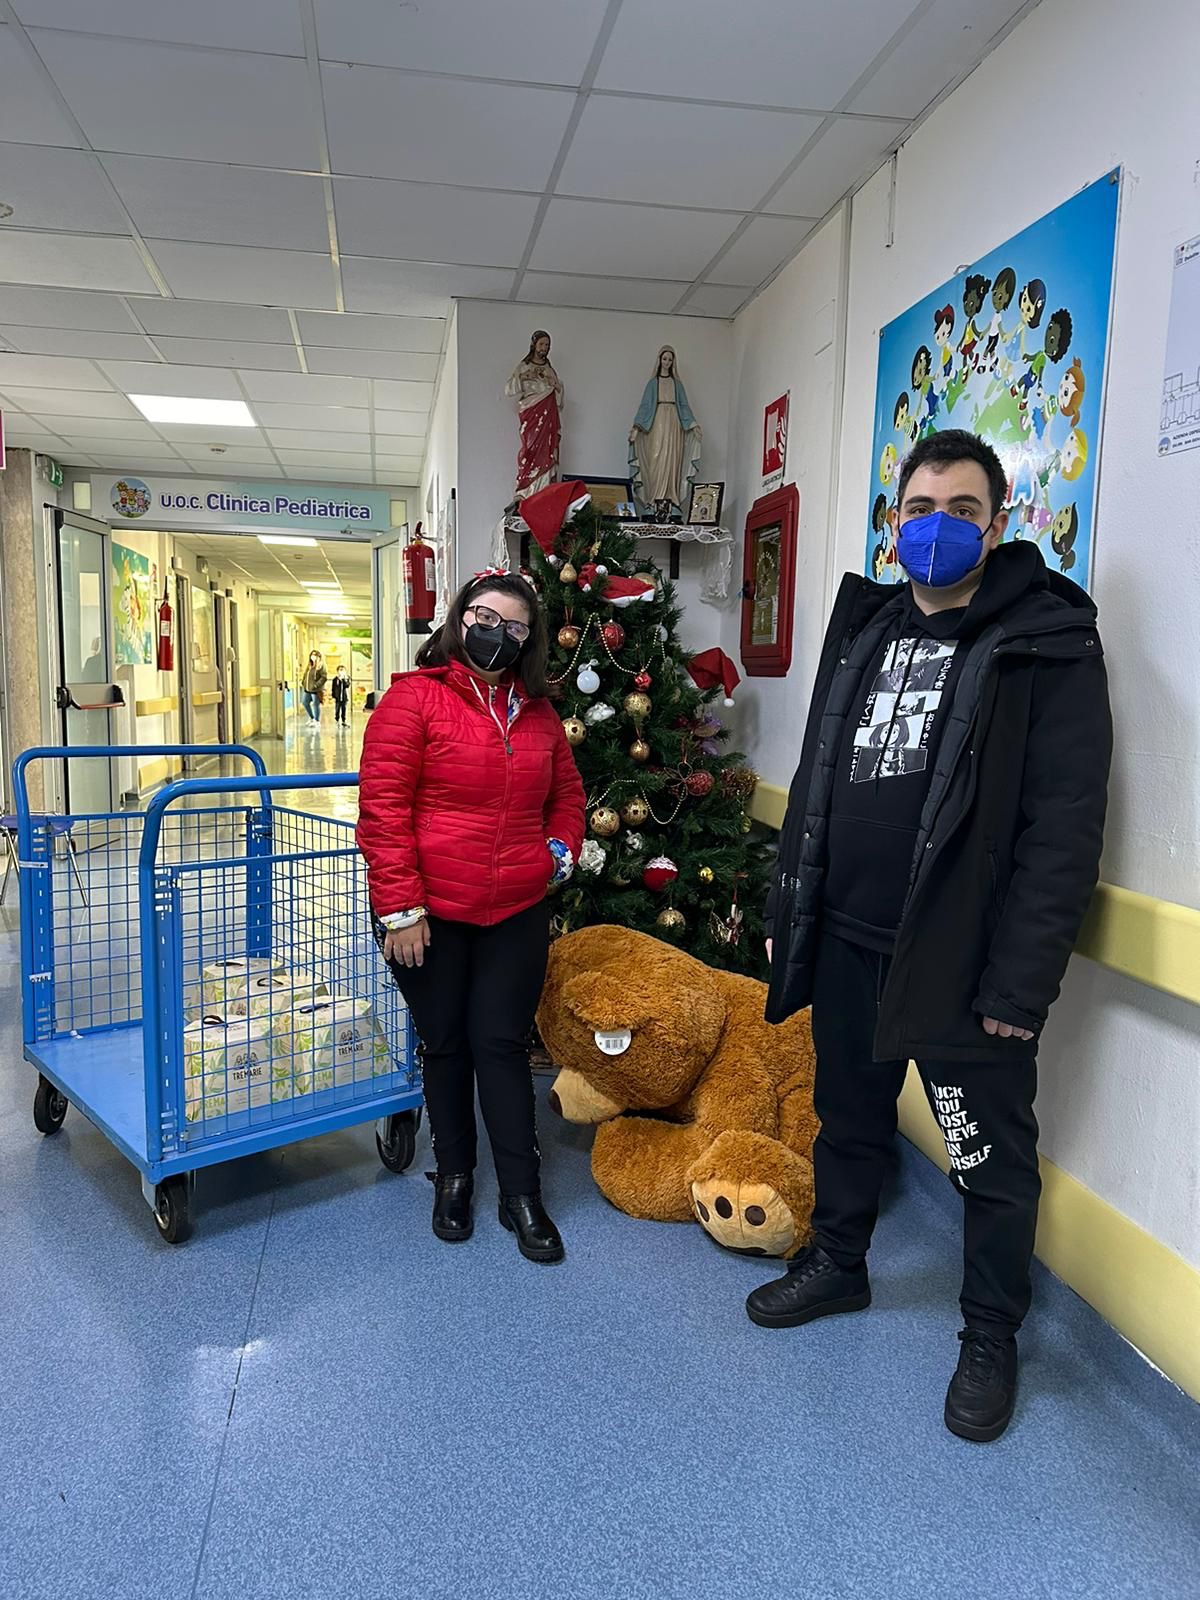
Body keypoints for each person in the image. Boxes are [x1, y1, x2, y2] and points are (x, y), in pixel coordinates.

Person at [754, 429, 1111, 1443]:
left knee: (984, 1158)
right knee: (848, 1120)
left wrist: (1018, 988)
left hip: (961, 966)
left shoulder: (1046, 643)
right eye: (921, 509)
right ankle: (840, 1262)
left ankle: (990, 1333)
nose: (939, 526)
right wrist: (790, 918)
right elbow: (816, 786)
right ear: (893, 522)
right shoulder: (866, 627)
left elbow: (1063, 832)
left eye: (963, 510)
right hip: (848, 942)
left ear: (998, 527)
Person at [357, 569, 586, 1262]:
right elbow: (383, 812)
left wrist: (555, 856)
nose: (498, 634)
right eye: (486, 617)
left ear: (528, 640)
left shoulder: (538, 714)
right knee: (446, 1045)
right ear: (459, 619)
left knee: (501, 1046)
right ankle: (454, 1177)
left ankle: (522, 1194)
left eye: (515, 626)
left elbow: (568, 799)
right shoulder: (413, 700)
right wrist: (400, 911)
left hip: (515, 908)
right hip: (429, 914)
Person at [628, 345, 702, 516]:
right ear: (660, 360)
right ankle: (653, 499)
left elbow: (684, 406)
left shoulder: (677, 385)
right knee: (656, 458)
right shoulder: (653, 384)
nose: (667, 362)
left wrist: (693, 424)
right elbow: (645, 407)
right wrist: (636, 427)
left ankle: (671, 499)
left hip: (674, 424)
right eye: (664, 359)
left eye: (670, 359)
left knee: (672, 460)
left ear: (673, 362)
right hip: (657, 422)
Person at [505, 330, 564, 501]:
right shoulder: (524, 366)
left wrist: (556, 385)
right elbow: (509, 389)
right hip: (531, 412)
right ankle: (525, 489)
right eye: (541, 344)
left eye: (547, 345)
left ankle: (544, 488)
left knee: (547, 448)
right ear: (534, 345)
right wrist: (523, 377)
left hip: (548, 414)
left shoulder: (549, 370)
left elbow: (559, 397)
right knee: (530, 448)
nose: (544, 348)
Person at [300, 651, 327, 724]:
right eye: (312, 655)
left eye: (315, 655)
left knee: (315, 704)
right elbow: (305, 675)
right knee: (305, 702)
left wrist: (316, 685)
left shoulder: (321, 665)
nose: (313, 656)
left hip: (316, 689)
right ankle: (312, 718)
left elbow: (324, 677)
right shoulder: (309, 665)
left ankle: (317, 720)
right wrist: (303, 682)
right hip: (307, 688)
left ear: (319, 656)